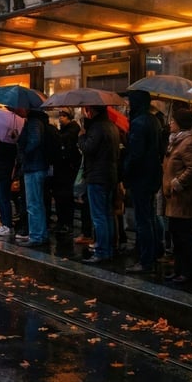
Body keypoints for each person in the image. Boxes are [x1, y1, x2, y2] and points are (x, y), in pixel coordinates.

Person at [122, 90, 163, 273]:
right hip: (152, 175)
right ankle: (153, 253)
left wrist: (125, 171)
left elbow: (136, 154)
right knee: (150, 217)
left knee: (143, 219)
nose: (129, 104)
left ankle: (146, 259)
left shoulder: (138, 123)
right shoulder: (153, 120)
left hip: (141, 176)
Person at [161, 108, 192, 284]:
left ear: (181, 123)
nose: (170, 123)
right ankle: (178, 270)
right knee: (176, 235)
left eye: (173, 120)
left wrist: (177, 183)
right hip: (174, 198)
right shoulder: (177, 141)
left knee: (183, 236)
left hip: (183, 198)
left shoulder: (189, 142)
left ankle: (187, 272)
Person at [77, 105, 119, 264]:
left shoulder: (97, 127)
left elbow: (88, 148)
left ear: (92, 111)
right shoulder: (111, 126)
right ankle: (108, 248)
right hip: (109, 175)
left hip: (97, 176)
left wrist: (81, 136)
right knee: (107, 214)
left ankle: (102, 250)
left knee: (99, 216)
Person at [16, 107, 49, 246]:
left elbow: (34, 141)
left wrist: (24, 153)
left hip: (33, 166)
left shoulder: (34, 123)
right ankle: (40, 234)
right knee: (36, 203)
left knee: (33, 203)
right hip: (36, 166)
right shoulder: (36, 122)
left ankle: (36, 235)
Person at [52, 110, 82, 236]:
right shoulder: (63, 130)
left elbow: (65, 142)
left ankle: (67, 223)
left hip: (68, 169)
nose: (60, 119)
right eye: (60, 116)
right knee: (60, 197)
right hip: (61, 168)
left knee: (66, 197)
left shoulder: (73, 129)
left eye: (63, 116)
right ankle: (61, 222)